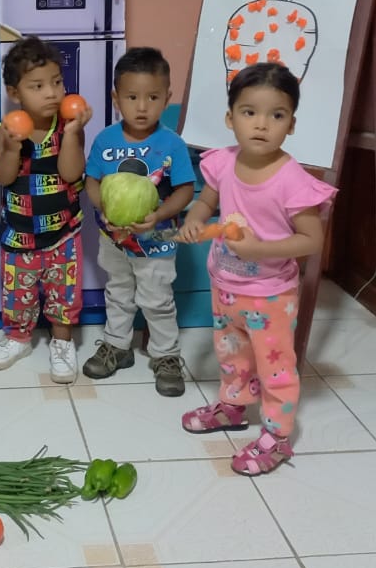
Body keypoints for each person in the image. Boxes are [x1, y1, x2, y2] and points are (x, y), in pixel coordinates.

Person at [178, 62, 336, 475]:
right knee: (232, 355)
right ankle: (233, 407)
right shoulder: (223, 163)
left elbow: (312, 240)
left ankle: (277, 436)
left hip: (270, 296)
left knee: (275, 367)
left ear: (292, 124)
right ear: (230, 118)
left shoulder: (292, 180)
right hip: (225, 286)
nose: (262, 124)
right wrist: (195, 218)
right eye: (249, 112)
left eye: (276, 115)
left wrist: (260, 250)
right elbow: (207, 200)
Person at [82, 47, 195, 397]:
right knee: (118, 292)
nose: (142, 107)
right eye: (132, 97)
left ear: (167, 99)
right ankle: (117, 345)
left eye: (153, 97)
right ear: (116, 99)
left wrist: (159, 215)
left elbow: (185, 190)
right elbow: (91, 181)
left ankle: (166, 355)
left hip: (157, 241)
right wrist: (104, 207)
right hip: (114, 239)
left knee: (157, 299)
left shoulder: (172, 144)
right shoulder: (105, 140)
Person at [0, 36, 91, 382]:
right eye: (38, 86)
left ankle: (62, 343)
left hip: (64, 233)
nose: (52, 93)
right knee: (18, 294)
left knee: (64, 293)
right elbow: (3, 176)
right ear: (14, 93)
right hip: (20, 234)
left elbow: (71, 173)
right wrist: (11, 147)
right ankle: (18, 337)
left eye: (57, 82)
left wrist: (73, 134)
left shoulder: (68, 126)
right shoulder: (6, 129)